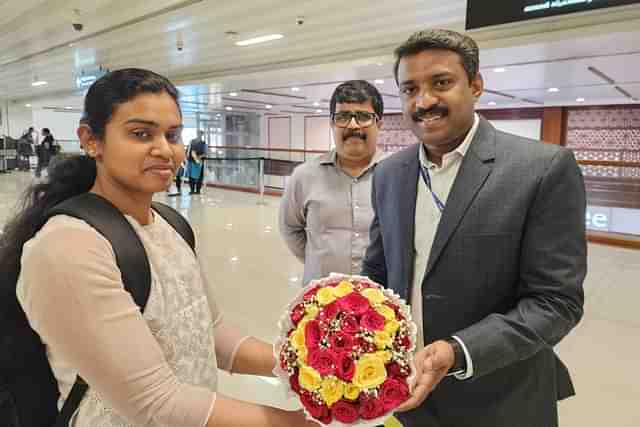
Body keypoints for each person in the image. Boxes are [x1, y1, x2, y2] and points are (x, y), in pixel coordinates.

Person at [0, 68, 318, 427]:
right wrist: (298, 423)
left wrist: (300, 361)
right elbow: (156, 402)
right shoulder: (68, 247)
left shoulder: (169, 223)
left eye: (172, 134)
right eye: (141, 134)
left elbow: (209, 333)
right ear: (91, 140)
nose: (165, 149)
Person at [362, 29, 587, 427]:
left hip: (501, 400)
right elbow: (378, 276)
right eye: (409, 88)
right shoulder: (389, 174)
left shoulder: (541, 169)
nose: (424, 101)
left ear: (476, 85)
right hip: (408, 398)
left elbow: (556, 303)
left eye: (441, 83)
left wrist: (458, 351)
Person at [279, 80, 386, 285]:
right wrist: (317, 261)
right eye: (343, 116)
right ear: (332, 122)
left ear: (379, 124)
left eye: (364, 116)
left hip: (380, 302)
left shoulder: (398, 176)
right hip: (321, 299)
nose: (353, 125)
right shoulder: (304, 176)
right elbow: (290, 229)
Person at [187, 130, 206, 194]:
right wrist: (195, 159)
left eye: (201, 134)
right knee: (191, 176)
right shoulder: (192, 141)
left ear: (202, 135)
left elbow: (205, 153)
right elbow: (191, 152)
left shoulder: (203, 143)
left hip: (200, 162)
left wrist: (199, 158)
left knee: (200, 176)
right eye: (198, 134)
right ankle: (192, 189)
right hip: (192, 161)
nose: (199, 135)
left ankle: (198, 190)